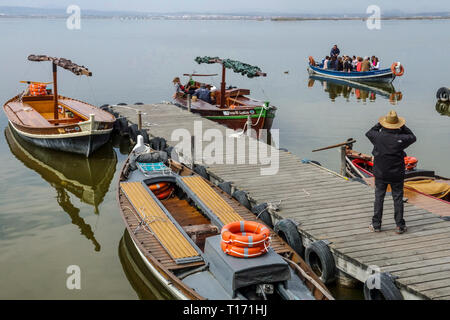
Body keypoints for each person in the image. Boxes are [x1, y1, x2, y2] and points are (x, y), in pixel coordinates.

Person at [365, 110, 416, 234]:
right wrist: (402, 127)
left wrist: (379, 125)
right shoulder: (401, 138)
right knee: (397, 198)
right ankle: (399, 225)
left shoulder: (377, 136)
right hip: (396, 173)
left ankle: (376, 224)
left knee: (379, 197)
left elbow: (369, 133)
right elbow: (412, 137)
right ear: (397, 124)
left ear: (385, 124)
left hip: (380, 173)